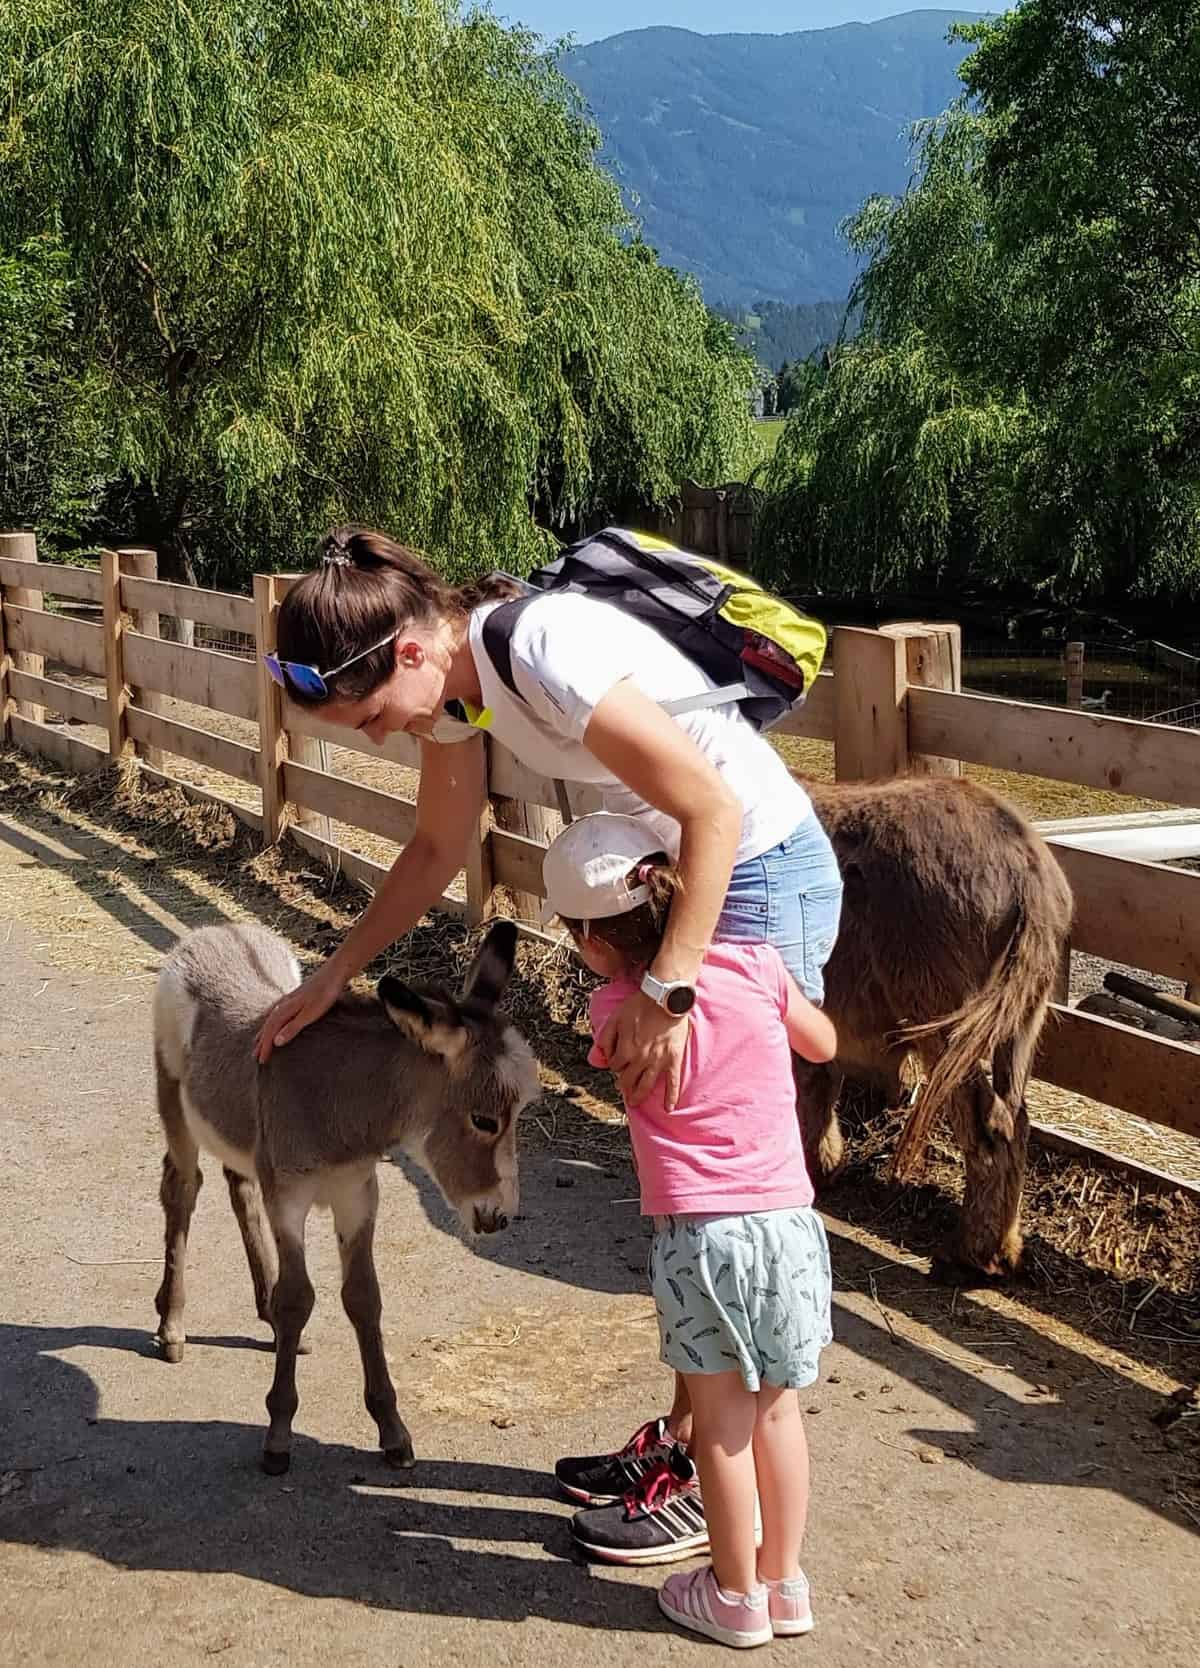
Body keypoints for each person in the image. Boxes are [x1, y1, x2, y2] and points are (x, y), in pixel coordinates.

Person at [254, 524, 843, 1563]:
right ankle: (691, 1443)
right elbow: (439, 846)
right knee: (677, 1185)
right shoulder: (459, 691)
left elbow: (708, 804)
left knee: (711, 1187)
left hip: (746, 868)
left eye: (377, 717)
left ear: (408, 651)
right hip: (690, 872)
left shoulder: (540, 647)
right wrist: (334, 976)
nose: (389, 737)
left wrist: (668, 988)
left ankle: (712, 1483)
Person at [542, 812, 836, 1647]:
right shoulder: (757, 963)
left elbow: (615, 1060)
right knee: (779, 1414)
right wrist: (771, 994)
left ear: (594, 945)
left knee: (720, 1425)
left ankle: (734, 1597)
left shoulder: (614, 1012)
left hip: (701, 1239)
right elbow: (823, 1042)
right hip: (788, 1224)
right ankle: (785, 1584)